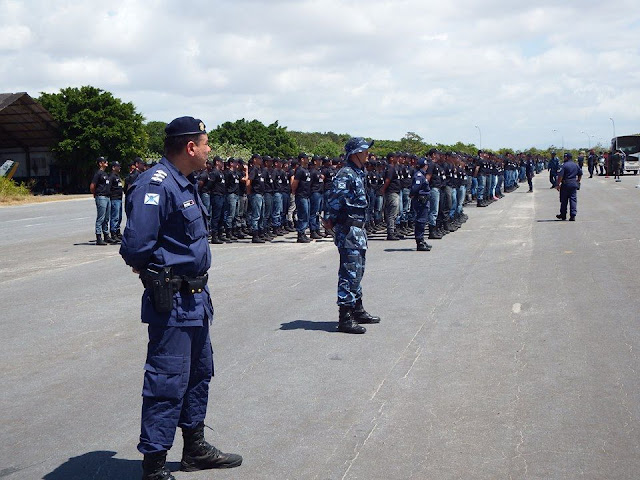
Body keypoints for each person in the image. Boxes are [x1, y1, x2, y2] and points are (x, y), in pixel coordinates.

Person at [119, 116, 242, 480]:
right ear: (191, 147)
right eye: (206, 144)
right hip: (171, 300)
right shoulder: (156, 184)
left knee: (199, 375)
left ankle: (195, 448)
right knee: (166, 380)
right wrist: (154, 273)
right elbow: (136, 245)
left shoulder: (185, 183)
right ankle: (154, 464)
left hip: (196, 299)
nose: (209, 150)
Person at [324, 137, 381, 334]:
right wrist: (330, 219)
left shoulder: (359, 173)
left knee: (358, 270)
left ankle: (357, 309)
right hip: (348, 229)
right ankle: (345, 317)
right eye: (364, 150)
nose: (368, 153)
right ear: (355, 153)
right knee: (349, 271)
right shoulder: (345, 174)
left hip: (358, 229)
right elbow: (333, 199)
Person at [90, 156, 113, 246]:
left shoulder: (105, 174)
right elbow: (92, 185)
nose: (106, 162)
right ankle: (99, 237)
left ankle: (106, 235)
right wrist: (95, 194)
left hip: (107, 197)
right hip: (101, 197)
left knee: (106, 218)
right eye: (104, 161)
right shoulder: (98, 174)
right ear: (100, 163)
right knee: (101, 218)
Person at [410, 157, 432, 251]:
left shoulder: (422, 175)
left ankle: (421, 240)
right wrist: (412, 195)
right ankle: (419, 242)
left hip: (424, 200)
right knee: (420, 221)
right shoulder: (419, 175)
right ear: (425, 166)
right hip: (420, 201)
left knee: (423, 221)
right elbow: (415, 188)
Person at [556, 152, 582, 221]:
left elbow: (560, 176)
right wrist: (578, 181)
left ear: (566, 157)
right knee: (573, 199)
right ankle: (573, 215)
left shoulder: (564, 165)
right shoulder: (575, 165)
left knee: (564, 200)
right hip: (573, 184)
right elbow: (580, 173)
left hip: (566, 184)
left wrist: (558, 184)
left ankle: (563, 215)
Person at [108, 161, 124, 241]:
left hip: (119, 198)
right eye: (118, 166)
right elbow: (109, 187)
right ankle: (113, 233)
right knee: (115, 217)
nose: (119, 167)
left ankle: (118, 232)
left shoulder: (117, 176)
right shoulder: (111, 176)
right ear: (113, 167)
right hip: (114, 199)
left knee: (119, 217)